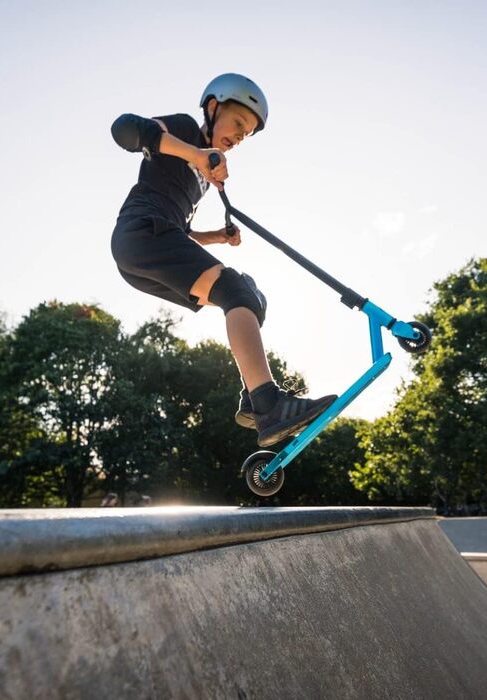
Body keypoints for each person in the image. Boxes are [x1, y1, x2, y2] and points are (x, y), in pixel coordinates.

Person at [110, 73, 336, 447]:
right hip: (139, 232)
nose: (238, 137)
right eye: (237, 124)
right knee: (235, 291)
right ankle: (268, 404)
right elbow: (125, 129)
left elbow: (179, 233)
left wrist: (216, 236)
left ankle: (253, 398)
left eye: (246, 135)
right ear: (213, 108)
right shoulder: (184, 131)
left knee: (249, 296)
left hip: (149, 247)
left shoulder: (201, 178)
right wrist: (196, 154)